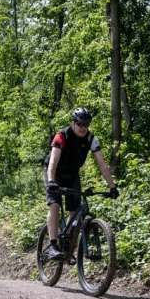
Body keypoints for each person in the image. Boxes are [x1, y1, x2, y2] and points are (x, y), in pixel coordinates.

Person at [43, 107, 119, 261]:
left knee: (75, 212)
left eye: (86, 124)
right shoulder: (61, 136)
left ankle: (68, 246)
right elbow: (52, 163)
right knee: (55, 205)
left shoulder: (91, 139)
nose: (83, 128)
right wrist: (51, 181)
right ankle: (52, 246)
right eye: (80, 124)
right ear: (73, 123)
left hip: (72, 175)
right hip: (55, 173)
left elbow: (103, 166)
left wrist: (112, 186)